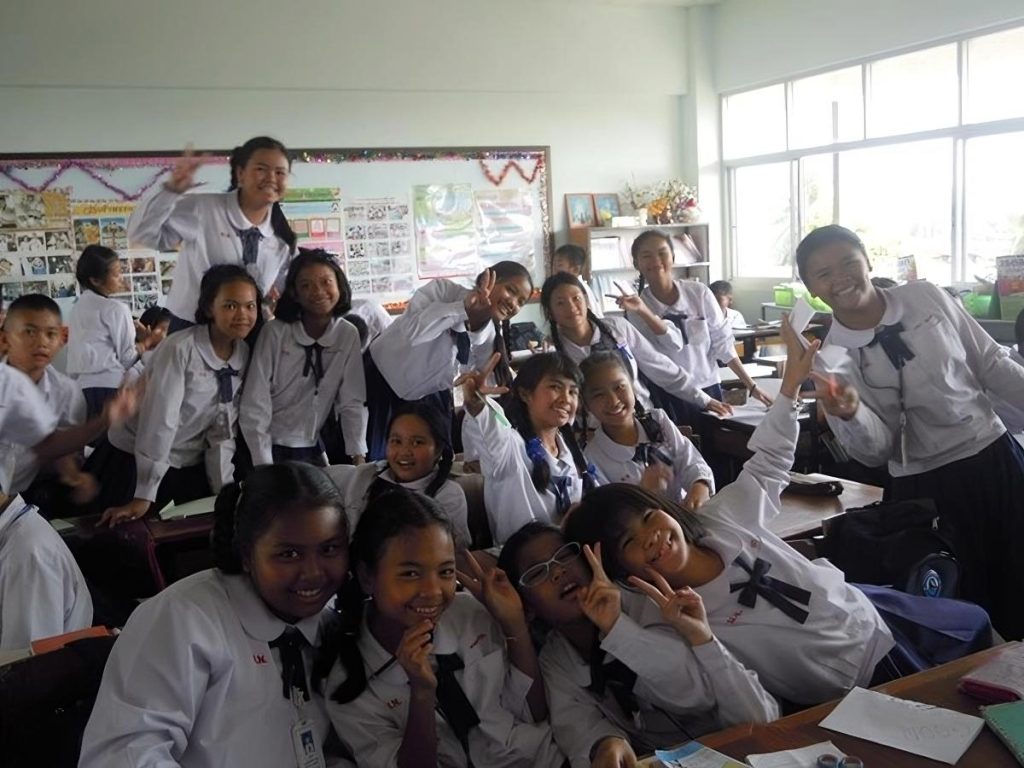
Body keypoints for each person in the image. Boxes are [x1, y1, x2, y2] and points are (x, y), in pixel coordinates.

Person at [564, 317, 899, 707]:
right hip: (837, 693)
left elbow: (766, 463)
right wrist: (619, 627)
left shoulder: (718, 517)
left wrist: (789, 387)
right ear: (624, 571)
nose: (649, 536)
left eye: (646, 518)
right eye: (629, 542)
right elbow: (709, 691)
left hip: (871, 627)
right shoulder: (671, 618)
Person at [796, 224, 1024, 640]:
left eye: (848, 262)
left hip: (992, 459)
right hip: (925, 490)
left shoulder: (926, 297)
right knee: (958, 608)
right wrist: (850, 414)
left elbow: (991, 363)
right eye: (823, 273)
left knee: (1019, 580)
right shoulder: (833, 357)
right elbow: (876, 452)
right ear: (811, 287)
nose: (840, 278)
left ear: (867, 261)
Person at [79, 462, 352, 767]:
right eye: (289, 554)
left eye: (330, 549)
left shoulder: (332, 627)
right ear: (247, 555)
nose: (314, 572)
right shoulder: (183, 619)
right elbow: (123, 756)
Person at [320, 486, 565, 768]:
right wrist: (422, 693)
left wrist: (514, 625)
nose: (433, 591)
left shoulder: (471, 614)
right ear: (366, 577)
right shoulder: (349, 683)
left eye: (445, 571)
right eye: (410, 573)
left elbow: (533, 712)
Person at [498, 523, 777, 766]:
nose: (557, 572)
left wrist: (617, 628)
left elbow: (697, 693)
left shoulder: (645, 600)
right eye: (537, 572)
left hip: (743, 740)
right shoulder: (556, 658)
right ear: (528, 607)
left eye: (564, 555)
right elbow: (577, 726)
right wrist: (605, 743)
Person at [88, 265, 260, 526]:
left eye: (250, 306)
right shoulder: (180, 349)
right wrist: (143, 494)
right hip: (135, 463)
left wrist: (223, 491)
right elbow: (159, 422)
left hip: (186, 464)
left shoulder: (242, 354)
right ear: (208, 308)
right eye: (230, 306)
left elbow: (223, 430)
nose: (243, 315)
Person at [365, 261, 533, 459]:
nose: (513, 303)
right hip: (380, 380)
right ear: (487, 279)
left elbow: (481, 378)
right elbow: (413, 333)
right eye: (510, 290)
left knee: (433, 459)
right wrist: (463, 310)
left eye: (521, 301)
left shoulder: (488, 335)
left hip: (429, 393)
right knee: (379, 459)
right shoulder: (442, 291)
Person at [127, 137, 297, 332]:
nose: (271, 178)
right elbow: (142, 233)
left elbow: (286, 289)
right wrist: (170, 192)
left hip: (247, 334)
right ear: (240, 174)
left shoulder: (282, 239)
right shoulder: (204, 209)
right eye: (261, 169)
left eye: (280, 172)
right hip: (192, 330)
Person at [621, 232, 771, 430]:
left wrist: (751, 386)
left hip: (708, 386)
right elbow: (655, 361)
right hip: (668, 394)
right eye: (646, 255)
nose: (656, 261)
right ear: (637, 264)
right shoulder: (636, 309)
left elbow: (722, 343)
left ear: (673, 258)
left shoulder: (698, 293)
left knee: (716, 449)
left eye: (662, 253)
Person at [541, 272, 731, 422]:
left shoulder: (616, 328)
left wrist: (703, 399)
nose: (571, 307)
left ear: (586, 300)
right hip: (593, 434)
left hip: (642, 419)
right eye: (560, 303)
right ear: (550, 311)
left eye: (576, 298)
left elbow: (660, 366)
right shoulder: (552, 351)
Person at [240, 249, 367, 468]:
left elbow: (352, 400)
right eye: (306, 285)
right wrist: (264, 465)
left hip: (312, 444)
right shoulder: (275, 332)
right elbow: (255, 403)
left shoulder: (347, 334)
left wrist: (359, 456)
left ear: (339, 285)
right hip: (268, 445)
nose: (318, 292)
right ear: (294, 293)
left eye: (326, 281)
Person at [460, 352, 599, 544]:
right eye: (555, 387)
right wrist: (477, 403)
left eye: (573, 392)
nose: (565, 399)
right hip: (526, 564)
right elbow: (492, 431)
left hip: (571, 553)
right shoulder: (510, 447)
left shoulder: (572, 451)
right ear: (525, 394)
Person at [580, 351, 714, 512]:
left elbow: (690, 460)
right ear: (586, 405)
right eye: (599, 395)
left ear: (633, 388)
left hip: (687, 515)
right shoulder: (592, 459)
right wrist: (644, 492)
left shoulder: (658, 420)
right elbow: (610, 516)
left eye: (619, 387)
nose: (614, 401)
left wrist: (699, 484)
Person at [0, 294, 96, 512]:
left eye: (51, 334)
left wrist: (73, 476)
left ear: (62, 339)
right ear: (6, 339)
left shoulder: (67, 393)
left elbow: (61, 450)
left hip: (29, 492)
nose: (42, 342)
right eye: (30, 332)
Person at [324, 403, 470, 547]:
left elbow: (449, 551)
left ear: (438, 449)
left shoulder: (448, 495)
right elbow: (312, 480)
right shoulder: (367, 475)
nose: (404, 452)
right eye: (396, 441)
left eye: (417, 442)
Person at [66, 245, 161, 418]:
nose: (121, 279)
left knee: (90, 442)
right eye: (116, 274)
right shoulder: (116, 308)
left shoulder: (76, 309)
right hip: (108, 387)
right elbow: (126, 359)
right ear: (95, 280)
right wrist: (148, 341)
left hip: (79, 390)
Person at [552, 243, 603, 318]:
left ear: (575, 269)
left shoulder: (577, 288)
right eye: (553, 265)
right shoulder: (578, 285)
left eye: (559, 265)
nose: (554, 270)